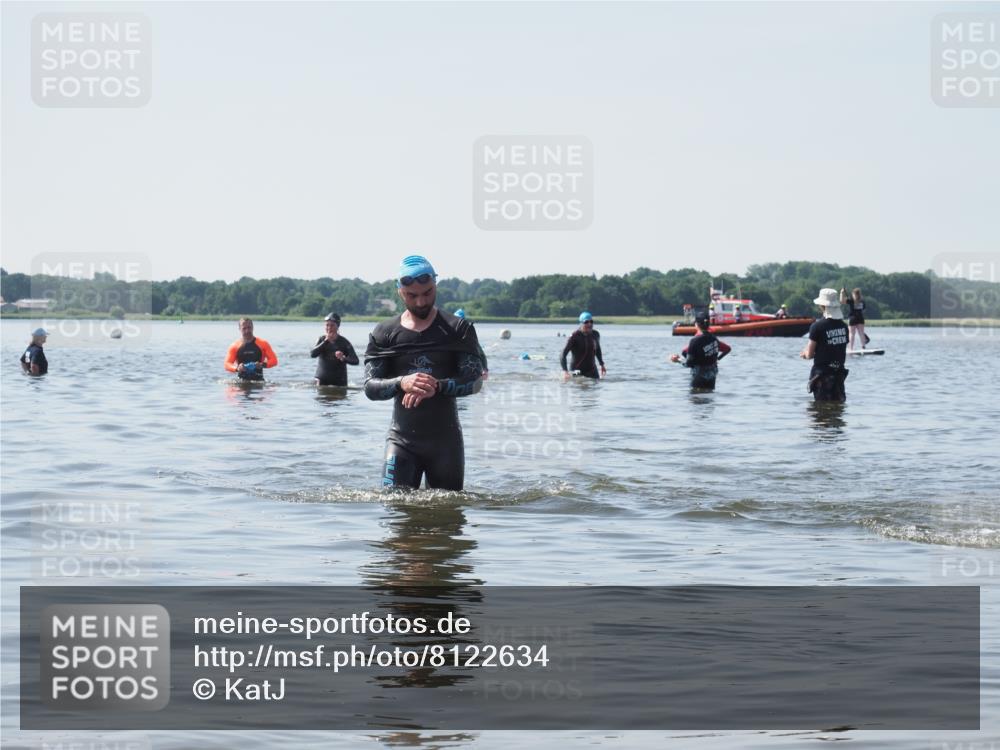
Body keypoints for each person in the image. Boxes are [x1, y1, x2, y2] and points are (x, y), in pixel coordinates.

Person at [364, 255, 484, 491]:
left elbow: (475, 381)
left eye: (427, 293)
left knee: (447, 511)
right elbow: (369, 387)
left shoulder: (457, 328)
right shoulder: (384, 333)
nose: (421, 302)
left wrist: (436, 386)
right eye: (412, 295)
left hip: (445, 443)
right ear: (400, 292)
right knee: (393, 505)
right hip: (401, 440)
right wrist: (402, 382)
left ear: (435, 284)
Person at [800, 289, 849, 401]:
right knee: (838, 408)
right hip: (839, 375)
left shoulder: (817, 326)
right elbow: (838, 348)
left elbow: (809, 355)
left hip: (822, 376)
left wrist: (804, 354)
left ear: (822, 306)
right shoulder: (844, 327)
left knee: (821, 409)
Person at [670, 314, 731, 389]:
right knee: (709, 395)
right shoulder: (714, 338)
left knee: (697, 394)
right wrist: (717, 359)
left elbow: (688, 363)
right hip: (712, 377)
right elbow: (728, 349)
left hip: (699, 377)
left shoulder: (694, 341)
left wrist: (678, 360)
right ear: (708, 324)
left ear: (696, 324)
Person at [310, 313, 359, 386]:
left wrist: (343, 358)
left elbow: (356, 361)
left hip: (339, 381)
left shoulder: (344, 342)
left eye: (332, 325)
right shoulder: (321, 339)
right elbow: (312, 354)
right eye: (327, 325)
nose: (329, 328)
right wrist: (326, 342)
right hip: (321, 381)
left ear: (337, 326)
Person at [561, 312, 606, 381]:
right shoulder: (574, 336)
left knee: (597, 384)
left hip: (592, 369)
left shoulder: (595, 334)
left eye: (591, 322)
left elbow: (597, 350)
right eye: (586, 322)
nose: (589, 324)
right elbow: (563, 354)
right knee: (577, 385)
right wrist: (565, 371)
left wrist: (601, 364)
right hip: (577, 370)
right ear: (581, 323)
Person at [454, 309, 488, 380]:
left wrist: (485, 369)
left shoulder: (470, 336)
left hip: (468, 368)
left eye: (460, 321)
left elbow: (481, 354)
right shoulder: (447, 333)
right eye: (456, 320)